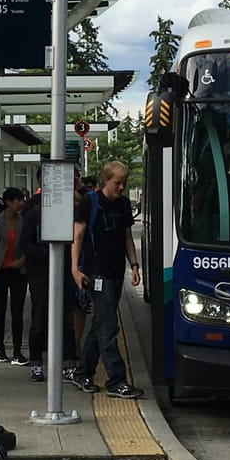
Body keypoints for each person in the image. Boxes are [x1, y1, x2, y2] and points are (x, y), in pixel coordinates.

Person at [66, 160, 144, 399]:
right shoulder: (91, 201)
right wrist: (75, 269)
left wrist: (134, 264)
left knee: (100, 323)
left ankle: (82, 372)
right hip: (95, 270)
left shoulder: (122, 204)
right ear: (105, 180)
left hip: (116, 269)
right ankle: (116, 379)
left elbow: (127, 236)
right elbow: (77, 236)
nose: (121, 187)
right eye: (117, 183)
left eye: (124, 183)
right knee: (109, 326)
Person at [0, 187, 32, 364]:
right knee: (0, 310)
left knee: (17, 312)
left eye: (21, 200)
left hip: (18, 271)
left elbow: (29, 243)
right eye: (17, 200)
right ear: (8, 202)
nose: (21, 203)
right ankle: (0, 349)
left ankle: (17, 351)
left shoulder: (23, 221)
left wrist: (22, 260)